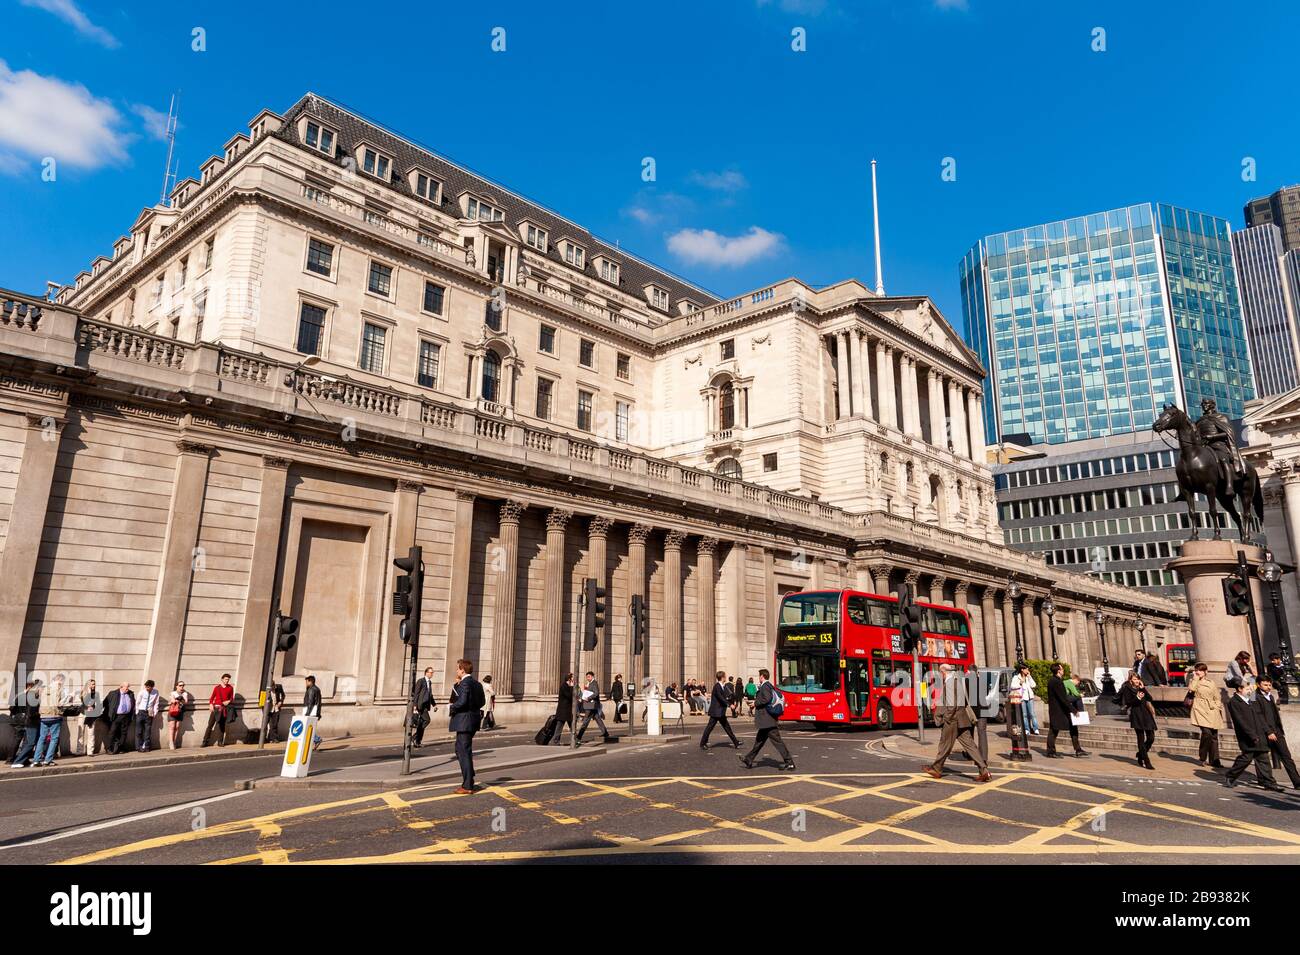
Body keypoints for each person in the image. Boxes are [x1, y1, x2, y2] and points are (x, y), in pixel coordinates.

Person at [924, 664, 991, 781]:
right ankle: (984, 770)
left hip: (953, 720)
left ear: (944, 672)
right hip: (962, 718)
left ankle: (936, 769)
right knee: (970, 746)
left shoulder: (950, 683)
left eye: (941, 673)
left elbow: (951, 705)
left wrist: (947, 719)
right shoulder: (957, 681)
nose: (941, 676)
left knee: (944, 745)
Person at [1225, 681, 1281, 791]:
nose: (1250, 691)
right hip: (1247, 735)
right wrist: (1251, 735)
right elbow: (1240, 721)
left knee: (1263, 759)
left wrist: (1268, 731)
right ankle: (1230, 776)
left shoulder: (1253, 699)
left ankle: (1270, 784)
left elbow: (1261, 717)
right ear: (1240, 689)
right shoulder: (1234, 702)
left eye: (1251, 689)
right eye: (1248, 689)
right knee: (1246, 758)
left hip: (1260, 733)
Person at [739, 669, 794, 771]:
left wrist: (755, 703)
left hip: (767, 720)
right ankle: (749, 759)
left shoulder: (765, 686)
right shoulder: (769, 686)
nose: (759, 678)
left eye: (759, 676)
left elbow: (767, 699)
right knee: (759, 741)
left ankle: (789, 762)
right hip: (767, 720)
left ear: (762, 676)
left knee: (777, 742)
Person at [1255, 676, 1300, 788]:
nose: (1268, 687)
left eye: (1269, 685)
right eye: (1265, 684)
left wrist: (1278, 730)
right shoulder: (1254, 697)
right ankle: (1264, 780)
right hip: (1264, 732)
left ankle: (1297, 782)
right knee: (1262, 757)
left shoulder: (1270, 696)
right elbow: (1259, 716)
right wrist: (1269, 732)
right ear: (1258, 684)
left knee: (1287, 757)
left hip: (1277, 731)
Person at [448, 658, 485, 794]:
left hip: (464, 721)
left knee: (463, 752)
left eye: (458, 668)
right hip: (473, 720)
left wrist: (452, 707)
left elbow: (462, 701)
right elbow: (482, 702)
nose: (457, 671)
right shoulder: (477, 683)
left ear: (462, 670)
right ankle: (470, 777)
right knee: (462, 750)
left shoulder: (465, 683)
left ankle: (468, 785)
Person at [1045, 663, 1088, 758]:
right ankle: (1051, 751)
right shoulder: (1056, 682)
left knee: (1073, 728)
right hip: (1058, 710)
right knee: (1053, 730)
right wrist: (1074, 710)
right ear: (1058, 670)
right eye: (1062, 668)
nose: (1063, 670)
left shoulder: (1055, 681)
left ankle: (1078, 749)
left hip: (1060, 710)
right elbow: (1063, 698)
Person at [1187, 663, 1224, 769]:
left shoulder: (1211, 682)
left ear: (1206, 671)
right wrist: (1195, 678)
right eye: (1197, 670)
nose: (1198, 672)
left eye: (1201, 670)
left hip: (1212, 709)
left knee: (1214, 736)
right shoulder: (1193, 681)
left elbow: (1217, 696)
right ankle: (1202, 757)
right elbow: (1191, 690)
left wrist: (1217, 706)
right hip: (1200, 709)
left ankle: (1215, 760)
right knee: (1206, 733)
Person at [1118, 672, 1157, 770]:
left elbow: (1150, 698)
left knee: (1151, 737)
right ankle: (1146, 761)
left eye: (1138, 679)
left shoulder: (1141, 688)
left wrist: (1143, 688)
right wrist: (1137, 698)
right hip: (1137, 714)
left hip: (1146, 714)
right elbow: (1129, 703)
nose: (1136, 681)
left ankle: (1140, 754)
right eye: (1134, 679)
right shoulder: (1127, 688)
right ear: (1131, 680)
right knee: (1140, 738)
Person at [32, 675, 69, 767]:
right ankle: (48, 760)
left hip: (44, 716)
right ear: (61, 680)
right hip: (54, 715)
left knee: (42, 738)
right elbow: (61, 703)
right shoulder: (61, 689)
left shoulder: (44, 688)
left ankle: (36, 760)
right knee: (54, 738)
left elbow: (37, 698)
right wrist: (70, 698)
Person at [700, 670, 740, 750]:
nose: (725, 677)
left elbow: (726, 696)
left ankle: (736, 742)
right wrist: (729, 705)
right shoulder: (717, 686)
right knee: (709, 728)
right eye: (725, 676)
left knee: (727, 728)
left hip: (720, 712)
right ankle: (702, 743)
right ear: (722, 677)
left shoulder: (722, 686)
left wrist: (732, 699)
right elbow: (720, 698)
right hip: (716, 712)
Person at [9, 681, 41, 768]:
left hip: (24, 720)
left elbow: (11, 707)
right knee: (26, 741)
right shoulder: (30, 696)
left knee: (26, 742)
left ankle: (22, 760)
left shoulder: (24, 695)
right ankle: (15, 760)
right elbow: (12, 707)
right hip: (26, 721)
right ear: (30, 686)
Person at [576, 671, 609, 743]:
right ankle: (605, 733)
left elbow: (596, 693)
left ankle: (578, 737)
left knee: (586, 721)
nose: (587, 678)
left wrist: (589, 698)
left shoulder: (594, 683)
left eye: (589, 677)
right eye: (587, 677)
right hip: (592, 705)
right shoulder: (589, 683)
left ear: (592, 676)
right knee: (597, 719)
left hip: (591, 705)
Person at [202, 674, 234, 747]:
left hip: (223, 709)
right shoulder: (217, 688)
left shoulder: (230, 688)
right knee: (210, 725)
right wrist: (210, 704)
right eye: (226, 679)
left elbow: (231, 698)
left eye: (228, 679)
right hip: (216, 709)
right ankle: (205, 741)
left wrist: (228, 701)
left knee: (221, 726)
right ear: (222, 679)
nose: (227, 681)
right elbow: (212, 698)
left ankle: (220, 742)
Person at [105, 682, 135, 754]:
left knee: (123, 733)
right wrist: (109, 713)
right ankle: (109, 748)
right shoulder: (113, 693)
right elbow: (105, 703)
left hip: (126, 716)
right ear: (121, 687)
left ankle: (121, 748)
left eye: (128, 687)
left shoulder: (130, 694)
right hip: (116, 716)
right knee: (112, 732)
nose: (128, 689)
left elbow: (133, 703)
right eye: (126, 687)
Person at [1010, 664, 1039, 736]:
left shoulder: (1028, 677)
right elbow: (1012, 686)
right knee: (1024, 715)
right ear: (1022, 670)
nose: (1028, 671)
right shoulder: (1016, 677)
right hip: (1022, 698)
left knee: (1032, 714)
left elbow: (1033, 685)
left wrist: (1029, 677)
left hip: (1030, 698)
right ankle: (1027, 729)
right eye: (1026, 669)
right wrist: (1020, 683)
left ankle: (1036, 728)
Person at [411, 666, 437, 747]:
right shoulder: (421, 681)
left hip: (425, 705)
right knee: (427, 720)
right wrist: (415, 705)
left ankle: (417, 741)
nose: (432, 674)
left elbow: (430, 695)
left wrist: (434, 704)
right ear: (426, 673)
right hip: (420, 706)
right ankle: (415, 737)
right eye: (431, 672)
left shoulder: (429, 682)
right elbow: (416, 694)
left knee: (422, 723)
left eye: (432, 672)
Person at [135, 679, 161, 752]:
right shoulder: (142, 692)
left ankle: (146, 746)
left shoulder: (156, 692)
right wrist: (137, 712)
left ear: (152, 687)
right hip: (141, 712)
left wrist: (155, 712)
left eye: (148, 687)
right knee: (139, 731)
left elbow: (156, 703)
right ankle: (138, 747)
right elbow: (137, 702)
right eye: (146, 687)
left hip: (149, 713)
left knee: (147, 731)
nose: (147, 688)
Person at [78, 679, 101, 756]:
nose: (93, 686)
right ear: (88, 685)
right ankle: (79, 751)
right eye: (92, 684)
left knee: (91, 733)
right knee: (81, 733)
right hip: (83, 714)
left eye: (94, 684)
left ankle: (90, 751)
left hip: (91, 715)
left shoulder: (96, 694)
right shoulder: (83, 693)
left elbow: (97, 704)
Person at [167, 681, 191, 749]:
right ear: (176, 686)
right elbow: (172, 700)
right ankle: (171, 742)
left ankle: (174, 741)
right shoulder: (173, 693)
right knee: (172, 726)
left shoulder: (185, 694)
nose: (182, 687)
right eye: (180, 685)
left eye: (183, 685)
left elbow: (185, 701)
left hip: (180, 711)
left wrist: (180, 698)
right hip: (173, 711)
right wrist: (175, 700)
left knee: (177, 727)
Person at [553, 673, 575, 745]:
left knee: (572, 725)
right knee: (560, 726)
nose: (573, 679)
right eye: (572, 678)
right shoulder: (564, 686)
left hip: (567, 710)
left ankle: (575, 740)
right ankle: (556, 741)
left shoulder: (567, 686)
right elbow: (569, 696)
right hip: (563, 710)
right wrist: (572, 687)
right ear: (569, 679)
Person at [303, 675, 323, 749]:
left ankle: (316, 739)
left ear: (310, 681)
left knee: (307, 727)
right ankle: (314, 740)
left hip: (310, 711)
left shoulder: (311, 689)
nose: (306, 682)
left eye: (307, 681)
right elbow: (319, 702)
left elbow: (310, 702)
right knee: (310, 727)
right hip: (315, 712)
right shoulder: (317, 689)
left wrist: (307, 713)